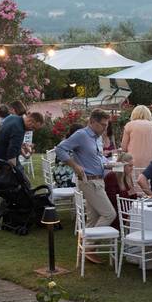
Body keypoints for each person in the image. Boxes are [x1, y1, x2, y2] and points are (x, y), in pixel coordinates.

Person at [56, 111, 116, 260]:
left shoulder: (95, 138)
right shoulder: (82, 135)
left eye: (106, 125)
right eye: (102, 125)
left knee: (93, 218)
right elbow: (60, 149)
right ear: (92, 122)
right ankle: (88, 246)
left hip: (97, 180)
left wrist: (110, 164)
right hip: (89, 181)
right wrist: (74, 165)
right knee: (109, 214)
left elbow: (96, 158)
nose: (104, 128)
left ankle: (86, 249)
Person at [121, 105, 152, 172]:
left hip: (132, 161)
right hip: (150, 162)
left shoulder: (129, 125)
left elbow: (124, 147)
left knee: (133, 180)